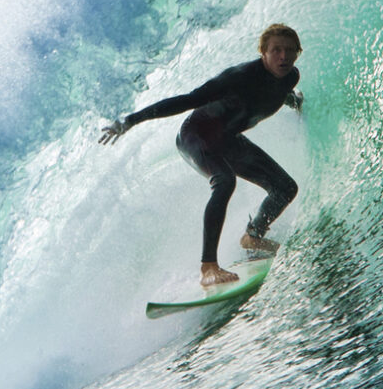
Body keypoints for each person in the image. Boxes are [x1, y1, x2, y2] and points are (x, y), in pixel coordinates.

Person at [100, 23, 305, 289]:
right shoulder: (238, 77)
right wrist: (130, 120)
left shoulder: (289, 78)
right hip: (196, 135)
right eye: (276, 50)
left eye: (290, 51)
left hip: (228, 139)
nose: (283, 57)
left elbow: (275, 94)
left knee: (285, 187)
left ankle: (253, 237)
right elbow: (187, 99)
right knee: (224, 180)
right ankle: (208, 267)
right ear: (263, 52)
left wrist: (297, 104)